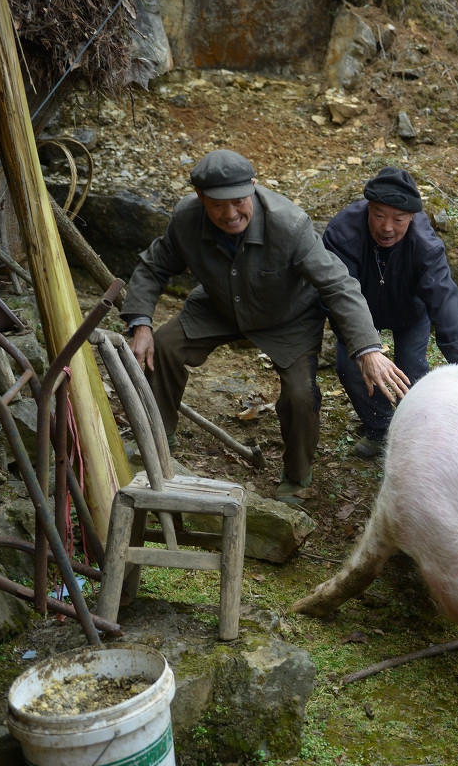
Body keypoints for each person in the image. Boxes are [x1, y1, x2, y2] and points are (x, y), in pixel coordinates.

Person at [121, 149, 409, 503]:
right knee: (163, 347)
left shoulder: (289, 224)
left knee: (301, 396)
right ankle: (157, 436)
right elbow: (153, 267)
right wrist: (141, 325)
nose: (230, 214)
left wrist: (367, 348)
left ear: (254, 188)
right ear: (200, 198)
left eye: (239, 201)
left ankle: (296, 476)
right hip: (220, 305)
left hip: (288, 317)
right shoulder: (186, 219)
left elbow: (338, 284)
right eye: (217, 205)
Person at [322, 167, 458, 459]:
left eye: (399, 219)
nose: (387, 227)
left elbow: (444, 296)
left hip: (409, 311)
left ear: (413, 217)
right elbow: (337, 293)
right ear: (368, 208)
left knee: (412, 373)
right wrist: (366, 350)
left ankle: (416, 435)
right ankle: (380, 429)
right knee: (351, 367)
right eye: (379, 215)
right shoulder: (342, 233)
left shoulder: (425, 245)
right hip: (357, 311)